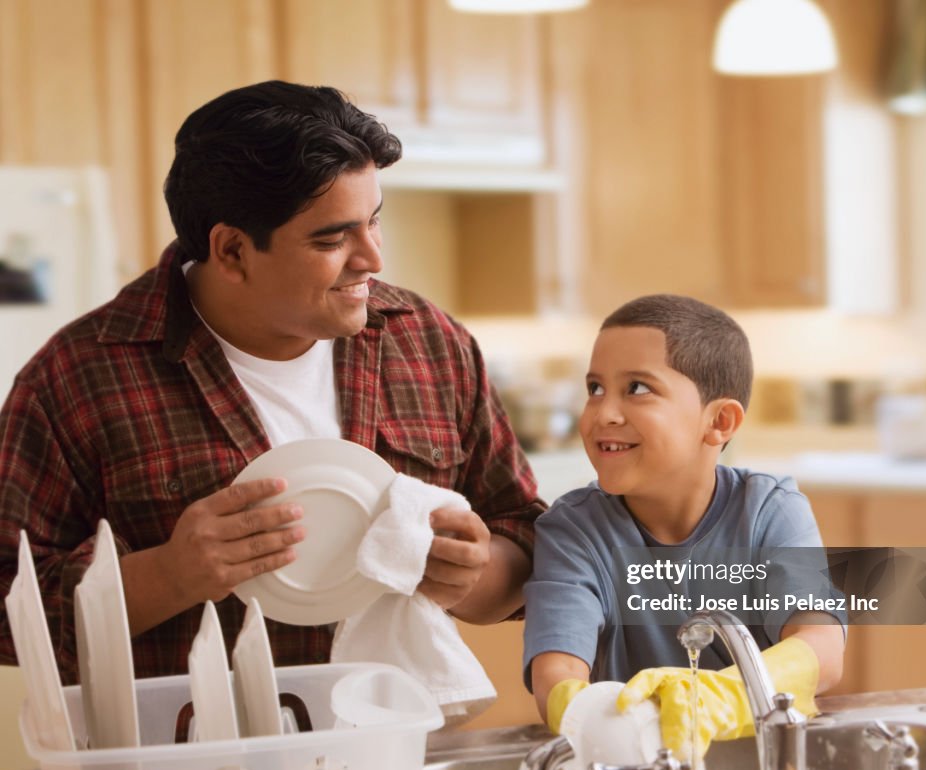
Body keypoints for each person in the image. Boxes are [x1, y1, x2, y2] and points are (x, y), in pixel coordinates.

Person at [0, 81, 544, 683]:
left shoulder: (429, 344)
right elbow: (6, 612)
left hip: (392, 751)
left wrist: (473, 575)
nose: (372, 257)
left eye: (374, 222)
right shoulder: (78, 378)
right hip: (184, 768)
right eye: (332, 238)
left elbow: (524, 536)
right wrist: (169, 576)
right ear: (232, 251)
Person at [523, 294, 844, 756]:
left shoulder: (770, 509)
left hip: (767, 760)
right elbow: (556, 672)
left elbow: (822, 648)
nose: (603, 413)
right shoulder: (572, 530)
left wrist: (720, 695)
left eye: (636, 388)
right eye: (595, 388)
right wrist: (589, 715)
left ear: (719, 422)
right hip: (632, 766)